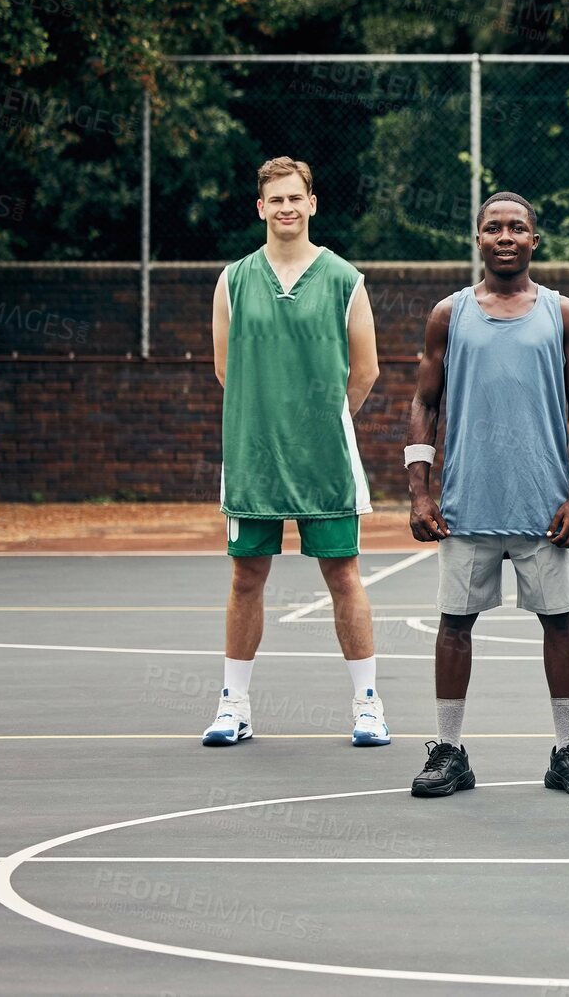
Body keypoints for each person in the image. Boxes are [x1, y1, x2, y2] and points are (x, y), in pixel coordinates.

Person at [404, 191, 569, 798]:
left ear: (534, 240)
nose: (506, 237)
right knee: (454, 625)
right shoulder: (450, 314)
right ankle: (449, 750)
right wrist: (419, 492)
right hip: (466, 504)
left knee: (559, 622)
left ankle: (568, 750)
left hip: (543, 505)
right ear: (479, 239)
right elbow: (424, 402)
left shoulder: (563, 313)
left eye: (518, 228)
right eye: (494, 228)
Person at [205, 156, 386, 747]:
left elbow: (366, 370)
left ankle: (367, 703)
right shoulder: (232, 280)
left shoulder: (344, 279)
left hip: (324, 456)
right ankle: (234, 704)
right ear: (261, 208)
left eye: (294, 198)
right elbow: (225, 368)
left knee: (343, 575)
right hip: (253, 455)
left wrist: (317, 421)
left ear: (312, 204)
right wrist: (268, 419)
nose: (285, 207)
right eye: (274, 199)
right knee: (245, 578)